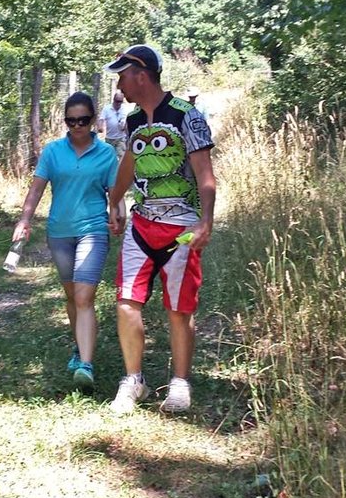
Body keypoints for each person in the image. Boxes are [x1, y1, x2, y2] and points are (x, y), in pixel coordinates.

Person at [105, 44, 215, 415]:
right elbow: (128, 165)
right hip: (141, 225)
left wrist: (206, 220)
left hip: (182, 227)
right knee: (126, 303)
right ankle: (133, 380)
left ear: (141, 74)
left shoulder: (188, 116)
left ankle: (180, 384)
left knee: (179, 309)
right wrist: (114, 200)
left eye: (122, 74)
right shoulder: (133, 121)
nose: (119, 82)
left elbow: (205, 174)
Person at [12, 91, 117, 392]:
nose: (77, 126)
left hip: (93, 230)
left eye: (83, 120)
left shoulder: (106, 153)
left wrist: (117, 213)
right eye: (71, 121)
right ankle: (78, 345)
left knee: (84, 297)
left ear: (93, 120)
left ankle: (86, 364)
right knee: (72, 296)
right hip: (59, 232)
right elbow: (36, 190)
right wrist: (24, 219)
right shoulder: (53, 152)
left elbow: (115, 192)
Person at [96, 89, 129, 159]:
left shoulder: (125, 109)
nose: (118, 103)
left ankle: (120, 169)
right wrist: (100, 127)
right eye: (117, 101)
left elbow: (128, 122)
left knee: (121, 156)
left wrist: (125, 128)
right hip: (109, 138)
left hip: (121, 138)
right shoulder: (107, 109)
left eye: (120, 101)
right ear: (114, 100)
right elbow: (101, 119)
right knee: (109, 157)